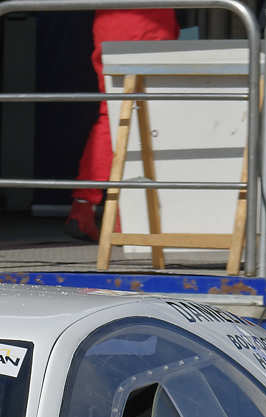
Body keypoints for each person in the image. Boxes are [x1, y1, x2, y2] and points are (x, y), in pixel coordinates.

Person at [66, 7, 178, 242]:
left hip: (114, 21)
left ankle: (88, 205)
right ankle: (120, 215)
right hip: (149, 23)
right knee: (145, 116)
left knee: (114, 113)